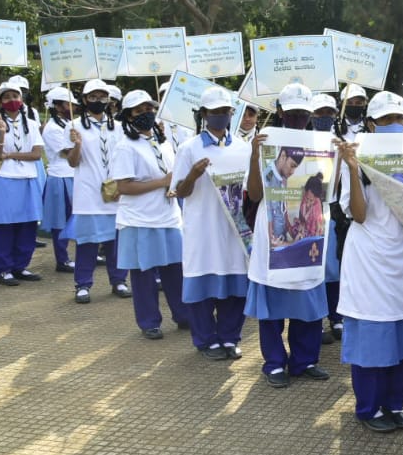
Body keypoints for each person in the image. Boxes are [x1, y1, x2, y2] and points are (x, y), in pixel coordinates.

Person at [336, 92, 403, 431]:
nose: (394, 125)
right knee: (373, 340)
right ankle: (369, 408)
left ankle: (395, 403)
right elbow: (358, 215)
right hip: (369, 259)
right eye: (386, 120)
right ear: (371, 124)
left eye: (399, 120)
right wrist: (354, 169)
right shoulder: (356, 158)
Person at [243, 117, 331, 389]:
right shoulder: (265, 152)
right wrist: (254, 156)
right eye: (291, 165)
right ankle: (274, 363)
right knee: (272, 309)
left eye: (303, 112)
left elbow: (331, 192)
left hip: (302, 246)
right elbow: (255, 195)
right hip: (273, 245)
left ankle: (304, 361)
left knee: (306, 303)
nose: (292, 171)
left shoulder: (319, 146)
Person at [172, 86, 251, 360]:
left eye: (225, 111)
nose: (220, 116)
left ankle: (230, 337)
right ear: (203, 114)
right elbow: (178, 192)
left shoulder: (244, 147)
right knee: (202, 288)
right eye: (214, 112)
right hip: (202, 228)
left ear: (232, 113)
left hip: (234, 228)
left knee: (235, 286)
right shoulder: (188, 149)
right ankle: (206, 340)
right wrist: (193, 175)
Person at [110, 90, 187, 340]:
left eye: (149, 109)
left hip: (168, 216)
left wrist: (173, 185)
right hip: (139, 219)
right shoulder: (124, 147)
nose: (146, 114)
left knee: (175, 270)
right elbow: (123, 187)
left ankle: (184, 315)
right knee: (143, 274)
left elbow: (172, 174)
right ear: (128, 116)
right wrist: (161, 183)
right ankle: (149, 321)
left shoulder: (161, 141)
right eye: (139, 111)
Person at [68, 79, 131, 304]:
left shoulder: (120, 127)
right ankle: (83, 284)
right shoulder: (74, 125)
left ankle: (119, 280)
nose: (98, 101)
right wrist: (76, 145)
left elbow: (124, 158)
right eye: (93, 97)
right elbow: (72, 163)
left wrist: (122, 187)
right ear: (84, 100)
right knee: (87, 242)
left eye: (102, 97)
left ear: (109, 100)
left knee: (117, 241)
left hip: (115, 193)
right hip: (88, 193)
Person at [0, 81, 45, 286]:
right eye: (6, 97)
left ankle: (20, 266)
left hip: (27, 178)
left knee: (27, 225)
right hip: (4, 180)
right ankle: (3, 269)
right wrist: (0, 133)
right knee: (2, 226)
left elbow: (36, 154)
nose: (12, 100)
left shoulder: (31, 124)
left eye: (15, 96)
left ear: (21, 99)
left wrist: (11, 154)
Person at [40, 86, 78, 273]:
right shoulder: (52, 128)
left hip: (74, 176)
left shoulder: (70, 125)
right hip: (60, 176)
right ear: (57, 105)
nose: (72, 107)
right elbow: (67, 152)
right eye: (68, 104)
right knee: (60, 220)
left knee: (78, 216)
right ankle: (62, 258)